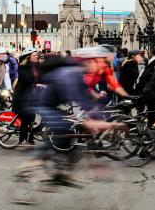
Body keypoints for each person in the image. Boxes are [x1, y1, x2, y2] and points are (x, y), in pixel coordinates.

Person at [15, 47, 114, 187]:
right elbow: (75, 96)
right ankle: (30, 164)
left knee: (72, 135)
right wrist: (93, 121)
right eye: (102, 63)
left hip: (53, 104)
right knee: (62, 127)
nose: (104, 67)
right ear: (92, 61)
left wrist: (99, 116)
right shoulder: (70, 74)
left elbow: (85, 100)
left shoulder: (78, 73)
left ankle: (62, 172)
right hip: (38, 103)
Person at [12, 47, 42, 146]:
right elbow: (27, 79)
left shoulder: (36, 66)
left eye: (37, 55)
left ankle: (30, 138)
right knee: (26, 118)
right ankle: (22, 140)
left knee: (32, 117)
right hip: (21, 97)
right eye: (35, 55)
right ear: (29, 57)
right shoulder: (22, 67)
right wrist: (36, 84)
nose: (37, 56)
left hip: (30, 96)